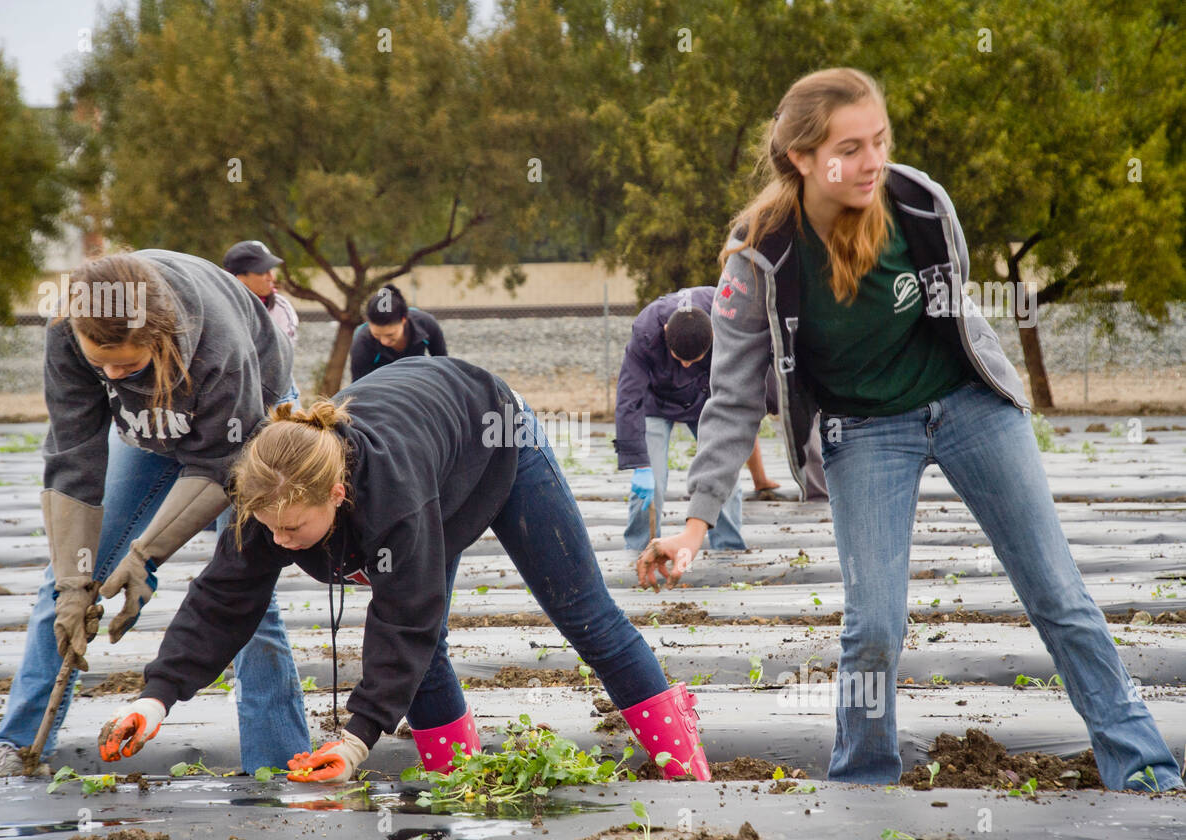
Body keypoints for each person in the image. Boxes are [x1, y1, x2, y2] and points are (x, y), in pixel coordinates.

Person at [638, 67, 1183, 791]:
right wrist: (694, 527)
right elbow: (734, 397)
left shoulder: (921, 205)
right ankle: (863, 782)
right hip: (864, 431)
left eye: (880, 140)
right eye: (850, 147)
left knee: (1057, 593)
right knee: (873, 627)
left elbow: (955, 320)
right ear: (802, 158)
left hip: (968, 406)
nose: (872, 162)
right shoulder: (760, 254)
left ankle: (1143, 768)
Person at [95, 356, 711, 783]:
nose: (280, 543)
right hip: (428, 437)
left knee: (582, 613)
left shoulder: (395, 500)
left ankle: (685, 769)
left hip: (497, 433)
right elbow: (220, 602)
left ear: (338, 494)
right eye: (272, 529)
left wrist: (357, 738)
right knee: (427, 650)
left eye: (293, 531)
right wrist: (156, 699)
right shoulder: (270, 498)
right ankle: (459, 780)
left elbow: (404, 619)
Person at [0, 250, 309, 777]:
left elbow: (218, 464)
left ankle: (278, 763)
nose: (111, 374)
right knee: (63, 585)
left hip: (247, 420)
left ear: (161, 335)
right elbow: (73, 457)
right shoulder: (66, 330)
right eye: (99, 364)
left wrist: (145, 556)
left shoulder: (218, 344)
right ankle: (17, 748)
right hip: (146, 433)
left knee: (246, 592)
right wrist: (77, 580)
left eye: (126, 364)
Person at [615, 287, 826, 553]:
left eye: (695, 360)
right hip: (655, 402)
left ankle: (728, 548)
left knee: (723, 474)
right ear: (666, 332)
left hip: (707, 397)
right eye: (680, 360)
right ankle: (641, 549)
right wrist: (638, 461)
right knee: (651, 482)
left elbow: (761, 361)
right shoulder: (646, 331)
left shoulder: (730, 315)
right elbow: (628, 397)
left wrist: (773, 400)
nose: (687, 367)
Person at [348, 283, 446, 381]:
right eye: (377, 335)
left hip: (418, 380)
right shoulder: (362, 343)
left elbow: (443, 365)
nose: (384, 341)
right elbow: (359, 386)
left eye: (390, 334)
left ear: (403, 320)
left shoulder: (426, 323)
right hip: (380, 386)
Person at [223, 240, 300, 343]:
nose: (271, 277)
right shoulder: (218, 307)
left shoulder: (280, 308)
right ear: (238, 277)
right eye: (263, 271)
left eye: (271, 269)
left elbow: (281, 356)